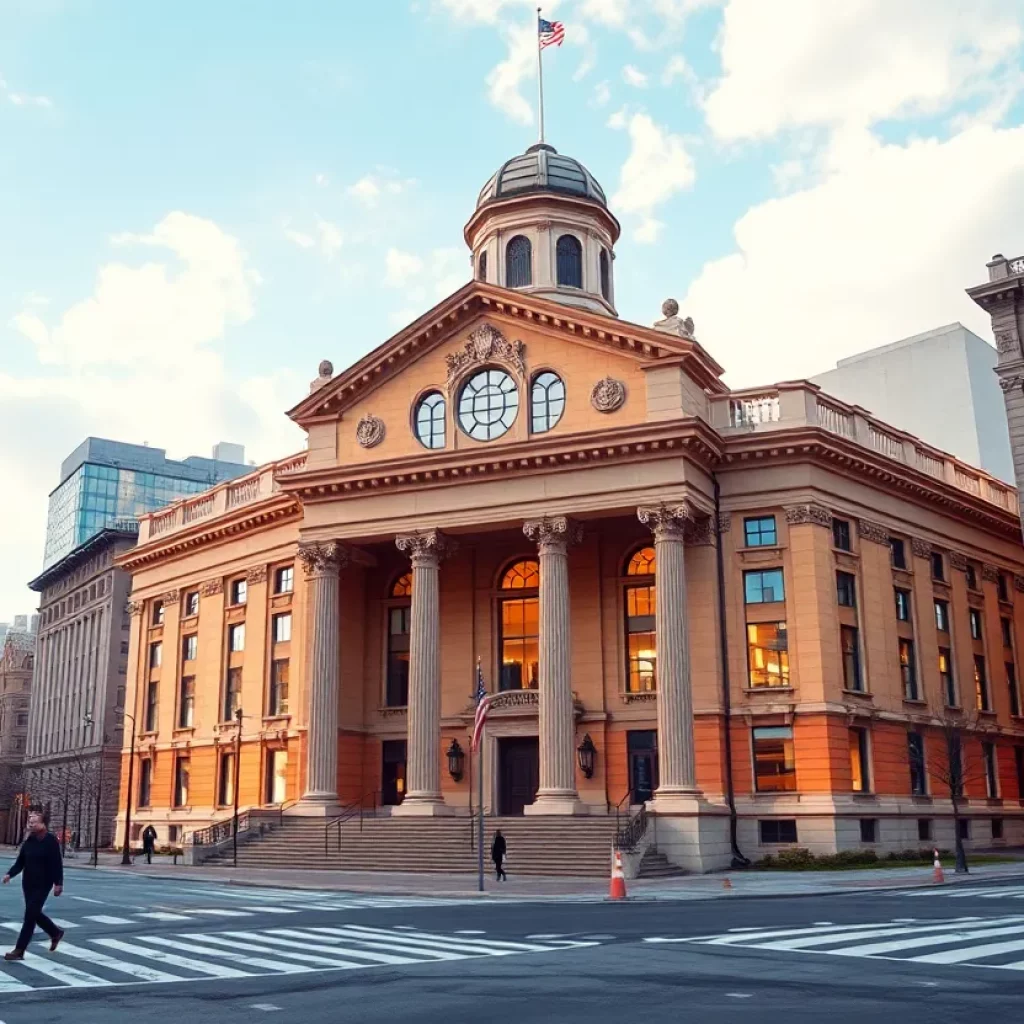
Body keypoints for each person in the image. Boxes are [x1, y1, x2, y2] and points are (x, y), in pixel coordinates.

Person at [2, 810, 64, 961]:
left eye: (34, 822)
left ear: (42, 823)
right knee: (33, 913)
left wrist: (58, 883)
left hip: (44, 883)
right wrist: (10, 874)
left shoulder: (50, 841)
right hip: (28, 882)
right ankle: (55, 932)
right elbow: (21, 861)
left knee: (30, 915)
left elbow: (57, 863)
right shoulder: (29, 841)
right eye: (30, 822)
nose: (31, 824)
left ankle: (19, 950)